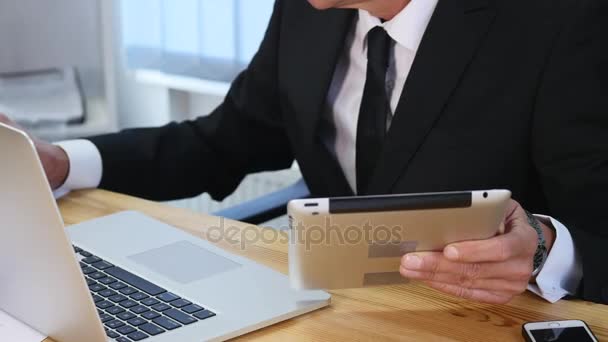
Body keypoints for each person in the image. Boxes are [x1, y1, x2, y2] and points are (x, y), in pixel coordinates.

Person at [1, 0, 607, 305]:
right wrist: (65, 160)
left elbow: (599, 230)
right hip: (333, 312)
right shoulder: (311, 12)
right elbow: (226, 140)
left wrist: (544, 250)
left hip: (477, 320)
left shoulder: (561, 23)